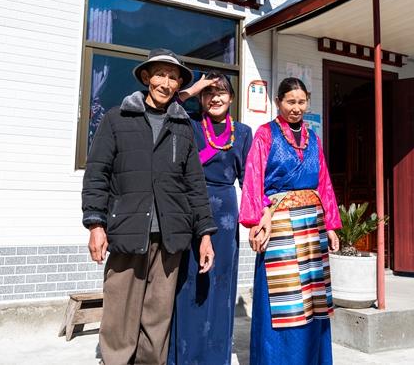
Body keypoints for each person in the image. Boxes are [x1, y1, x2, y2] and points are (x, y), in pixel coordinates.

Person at [82, 48, 216, 365]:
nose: (166, 83)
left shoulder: (182, 126)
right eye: (160, 75)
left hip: (171, 236)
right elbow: (97, 173)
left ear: (179, 84)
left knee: (158, 315)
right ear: (146, 77)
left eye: (173, 77)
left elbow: (195, 183)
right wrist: (96, 225)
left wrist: (205, 234)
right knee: (119, 312)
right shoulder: (117, 119)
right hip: (127, 230)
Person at [240, 77, 341, 365]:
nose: (296, 108)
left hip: (312, 227)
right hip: (280, 225)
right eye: (290, 102)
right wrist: (258, 219)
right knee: (283, 300)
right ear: (278, 102)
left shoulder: (314, 139)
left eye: (301, 102)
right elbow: (253, 177)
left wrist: (331, 226)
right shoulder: (265, 134)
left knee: (313, 298)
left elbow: (324, 182)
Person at [168, 71, 253, 365]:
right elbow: (168, 105)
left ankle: (215, 357)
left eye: (221, 92)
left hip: (225, 218)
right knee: (188, 281)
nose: (215, 98)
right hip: (191, 208)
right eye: (209, 93)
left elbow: (250, 181)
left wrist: (259, 219)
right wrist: (195, 88)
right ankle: (185, 355)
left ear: (232, 98)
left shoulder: (242, 133)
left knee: (220, 284)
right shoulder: (190, 124)